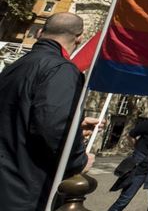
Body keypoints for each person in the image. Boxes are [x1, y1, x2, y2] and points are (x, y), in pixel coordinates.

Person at [0, 12, 100, 210]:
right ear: (79, 37)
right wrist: (78, 160)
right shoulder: (61, 69)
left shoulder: (15, 66)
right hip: (25, 186)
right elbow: (53, 127)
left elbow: (21, 115)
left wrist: (75, 127)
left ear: (39, 33)